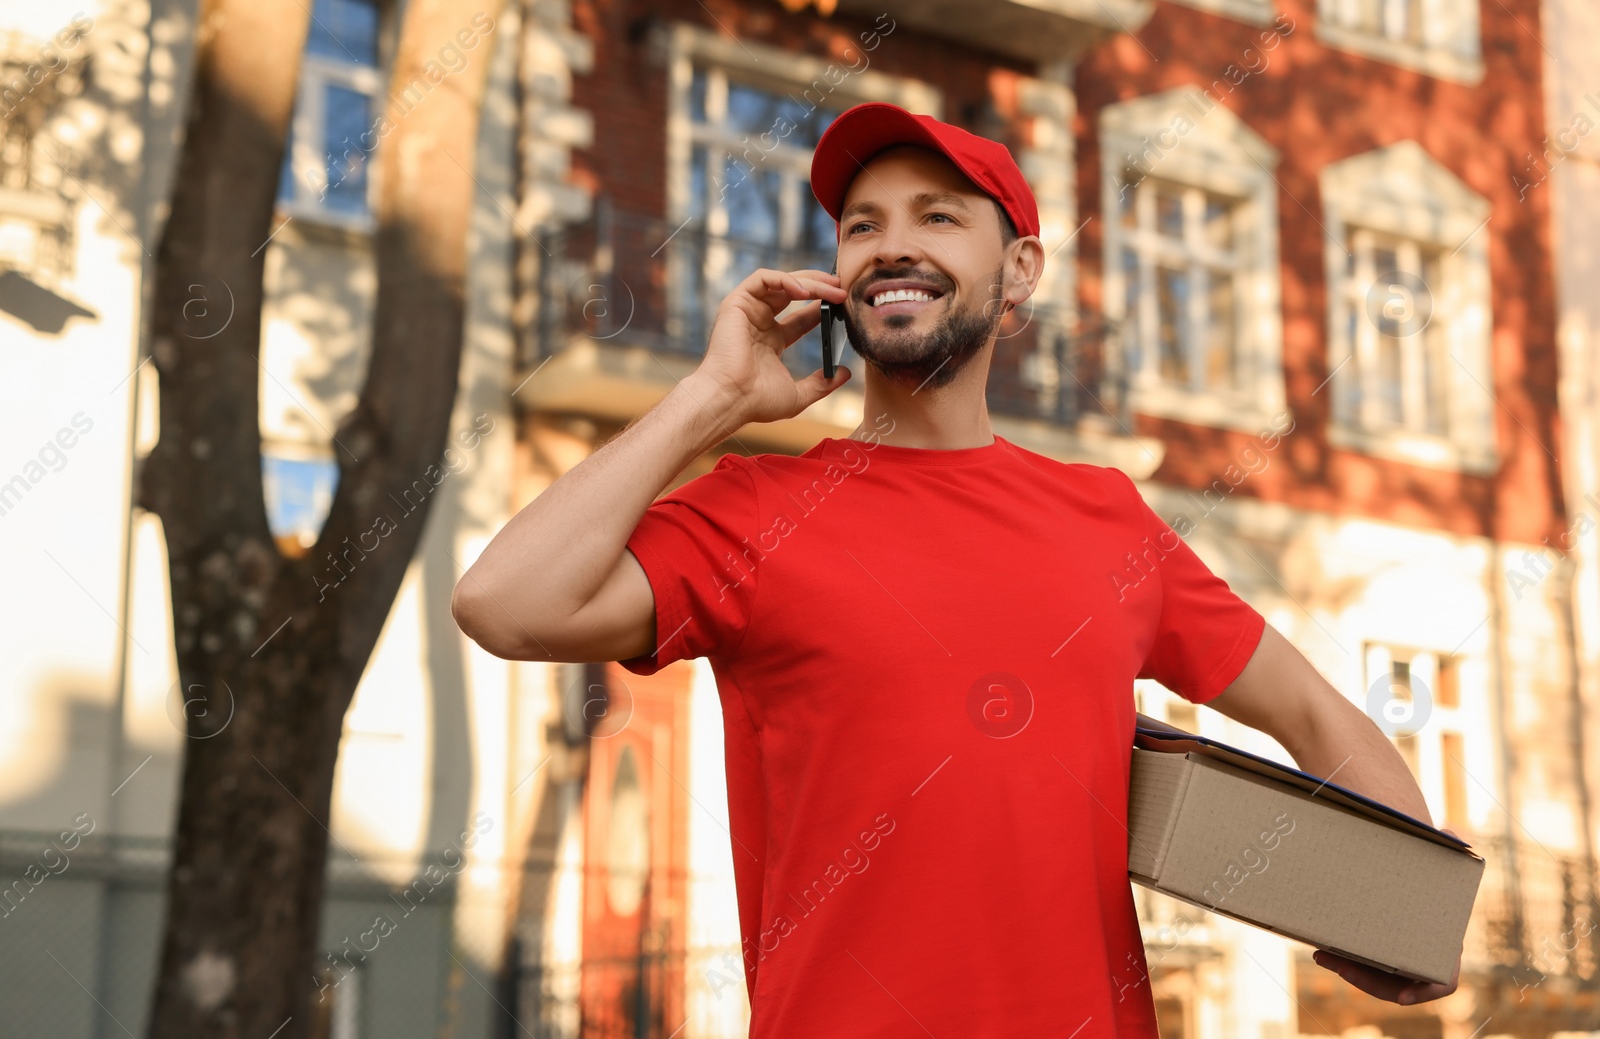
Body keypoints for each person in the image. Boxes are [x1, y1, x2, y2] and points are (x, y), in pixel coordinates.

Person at [452, 101, 1460, 1035]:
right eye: (861, 225)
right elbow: (505, 602)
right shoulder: (753, 508)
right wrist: (712, 397)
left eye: (937, 217)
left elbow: (1317, 714)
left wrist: (1404, 906)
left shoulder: (1105, 519)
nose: (891, 242)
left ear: (1019, 269)